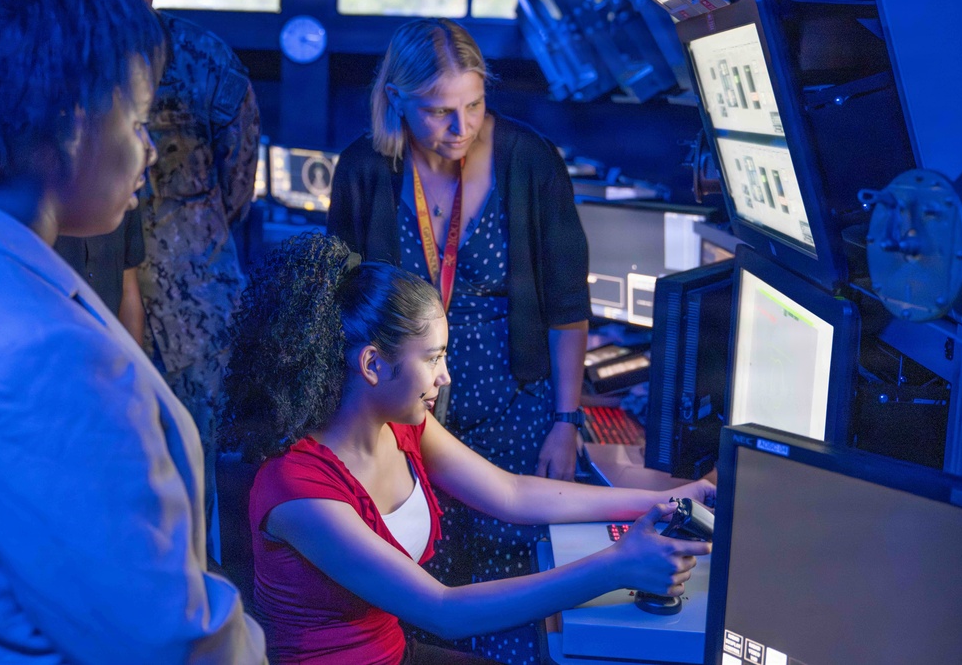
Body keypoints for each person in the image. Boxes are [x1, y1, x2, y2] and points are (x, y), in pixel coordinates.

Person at [219, 232, 714, 665]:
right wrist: (619, 564)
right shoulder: (299, 491)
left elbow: (512, 494)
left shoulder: (404, 426)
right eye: (433, 358)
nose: (445, 377)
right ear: (372, 365)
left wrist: (667, 499)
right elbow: (443, 611)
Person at [0, 0, 264, 663]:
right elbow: (167, 639)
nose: (149, 145)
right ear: (72, 130)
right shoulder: (50, 354)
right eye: (136, 119)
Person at [328, 18, 590, 662]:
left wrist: (566, 419)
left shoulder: (529, 160)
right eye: (440, 111)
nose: (461, 127)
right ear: (397, 100)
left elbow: (566, 306)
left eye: (473, 105)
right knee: (421, 581)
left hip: (515, 407)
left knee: (510, 583)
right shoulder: (366, 168)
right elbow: (339, 304)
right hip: (402, 418)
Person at [70, 0, 262, 541]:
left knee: (193, 472)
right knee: (96, 474)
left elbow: (239, 182)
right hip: (86, 299)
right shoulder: (55, 64)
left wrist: (183, 248)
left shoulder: (205, 62)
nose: (134, 11)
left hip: (193, 313)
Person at [54, 207, 147, 344]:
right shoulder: (32, 204)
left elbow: (128, 288)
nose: (132, 200)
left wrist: (135, 362)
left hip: (107, 352)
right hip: (54, 354)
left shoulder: (125, 196)